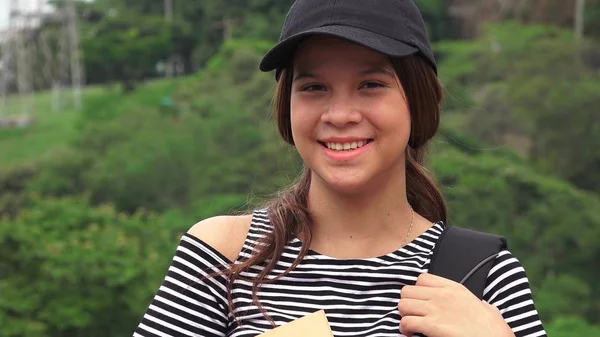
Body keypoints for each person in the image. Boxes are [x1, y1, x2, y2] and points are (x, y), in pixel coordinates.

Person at [133, 1, 547, 336]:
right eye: (314, 87)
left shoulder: (482, 274)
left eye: (371, 85)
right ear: (287, 109)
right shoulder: (225, 257)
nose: (341, 114)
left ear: (417, 103)